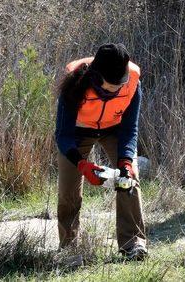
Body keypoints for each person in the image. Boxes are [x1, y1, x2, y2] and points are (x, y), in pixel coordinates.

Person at [55, 43, 147, 260]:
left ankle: (132, 245)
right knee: (68, 189)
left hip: (114, 129)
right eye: (112, 85)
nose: (117, 88)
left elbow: (129, 128)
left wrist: (125, 162)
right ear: (96, 76)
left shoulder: (132, 81)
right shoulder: (74, 83)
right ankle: (69, 248)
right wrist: (82, 164)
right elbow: (63, 135)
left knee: (130, 179)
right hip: (78, 132)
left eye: (120, 82)